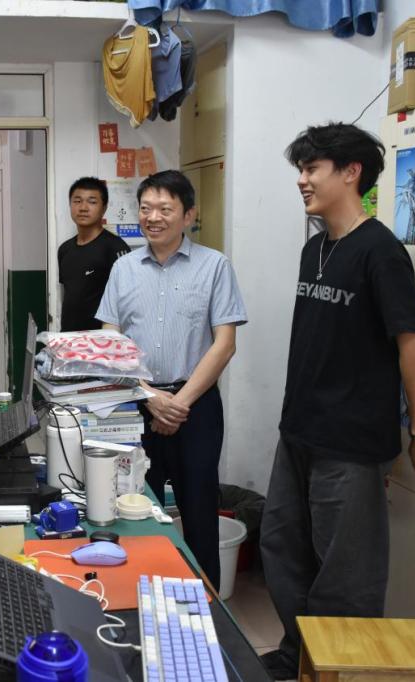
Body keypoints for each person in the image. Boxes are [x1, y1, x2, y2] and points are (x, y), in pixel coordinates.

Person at [258, 123, 415, 681]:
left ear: (351, 172)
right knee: (282, 547)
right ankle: (299, 657)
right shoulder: (315, 248)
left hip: (351, 444)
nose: (302, 180)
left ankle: (337, 669)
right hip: (299, 432)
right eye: (301, 169)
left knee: (346, 575)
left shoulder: (380, 251)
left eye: (312, 168)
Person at [96, 170, 247, 589]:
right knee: (131, 511)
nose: (153, 217)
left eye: (165, 208)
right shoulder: (123, 268)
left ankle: (206, 606)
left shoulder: (215, 266)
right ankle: (136, 598)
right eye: (146, 208)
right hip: (135, 407)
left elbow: (224, 345)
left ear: (188, 215)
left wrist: (177, 403)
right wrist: (149, 397)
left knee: (199, 514)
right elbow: (111, 342)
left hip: (196, 409)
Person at [59, 177, 130, 332]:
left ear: (104, 208)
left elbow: (128, 300)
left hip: (102, 340)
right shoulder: (64, 249)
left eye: (92, 202)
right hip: (69, 339)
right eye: (77, 201)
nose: (83, 208)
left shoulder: (116, 247)